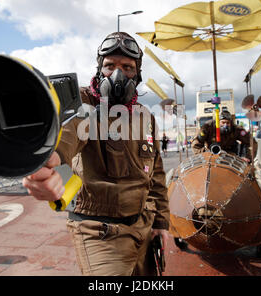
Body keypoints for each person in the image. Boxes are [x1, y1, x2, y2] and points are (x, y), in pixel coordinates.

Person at [23, 32, 170, 276]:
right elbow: (69, 129)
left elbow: (156, 174)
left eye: (127, 67)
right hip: (99, 231)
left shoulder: (146, 116)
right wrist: (50, 160)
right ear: (99, 70)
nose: (118, 73)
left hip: (144, 225)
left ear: (138, 74)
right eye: (110, 65)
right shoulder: (85, 102)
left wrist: (161, 223)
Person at [191, 110, 257, 162]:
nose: (225, 125)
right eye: (223, 122)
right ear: (218, 122)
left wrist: (247, 157)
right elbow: (196, 144)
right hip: (210, 156)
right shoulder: (208, 127)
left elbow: (251, 142)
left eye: (227, 123)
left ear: (231, 123)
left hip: (230, 157)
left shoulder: (236, 129)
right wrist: (203, 155)